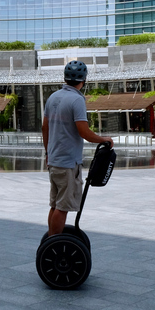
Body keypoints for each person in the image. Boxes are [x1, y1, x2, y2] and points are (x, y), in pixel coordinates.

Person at [42, 61, 113, 237]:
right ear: (84, 80)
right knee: (63, 207)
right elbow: (84, 132)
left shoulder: (53, 97)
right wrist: (104, 139)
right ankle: (54, 244)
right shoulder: (77, 99)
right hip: (68, 162)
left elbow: (45, 127)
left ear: (65, 78)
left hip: (54, 160)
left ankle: (50, 241)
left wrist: (47, 152)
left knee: (55, 204)